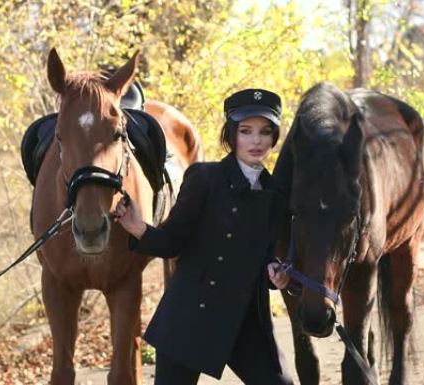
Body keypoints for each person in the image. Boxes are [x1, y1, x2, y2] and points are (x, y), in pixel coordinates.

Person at [113, 88, 293, 385]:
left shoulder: (277, 194)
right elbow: (173, 240)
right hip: (191, 318)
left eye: (264, 132)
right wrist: (137, 227)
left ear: (274, 137)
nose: (256, 140)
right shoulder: (204, 178)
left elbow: (273, 255)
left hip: (245, 322)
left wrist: (280, 275)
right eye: (246, 131)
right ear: (231, 135)